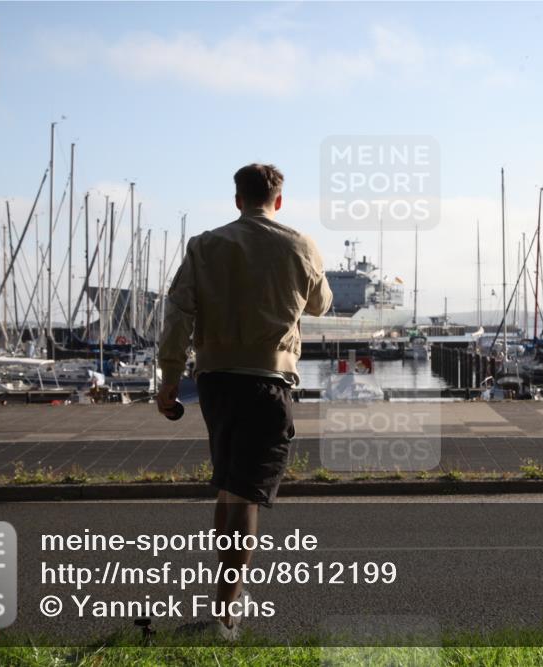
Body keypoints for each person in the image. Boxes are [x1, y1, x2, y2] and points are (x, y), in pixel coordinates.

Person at [156, 163, 332, 638]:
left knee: (229, 488)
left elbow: (178, 314)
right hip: (267, 380)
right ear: (278, 201)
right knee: (247, 498)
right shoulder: (300, 244)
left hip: (214, 382)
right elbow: (320, 304)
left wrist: (169, 377)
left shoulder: (205, 245)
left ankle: (226, 596)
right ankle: (226, 615)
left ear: (237, 199)